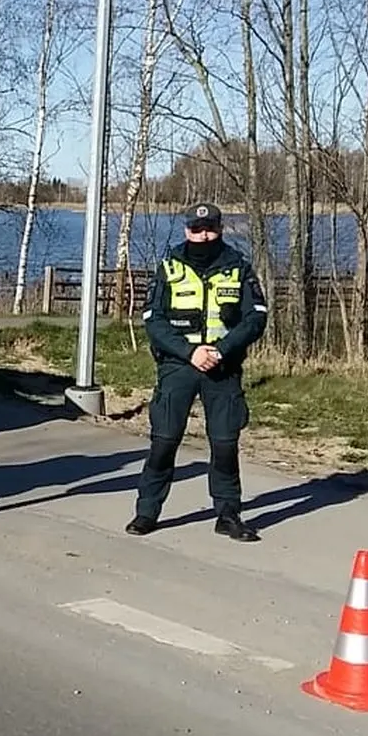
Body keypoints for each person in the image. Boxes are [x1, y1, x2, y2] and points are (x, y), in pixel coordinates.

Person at [127, 202, 269, 543]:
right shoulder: (169, 266)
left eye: (209, 229)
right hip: (179, 365)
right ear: (186, 230)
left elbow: (256, 317)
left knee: (224, 444)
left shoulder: (238, 267)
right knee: (164, 441)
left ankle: (228, 514)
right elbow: (153, 320)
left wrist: (221, 350)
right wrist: (190, 352)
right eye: (196, 229)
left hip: (223, 366)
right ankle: (147, 512)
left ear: (220, 229)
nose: (203, 235)